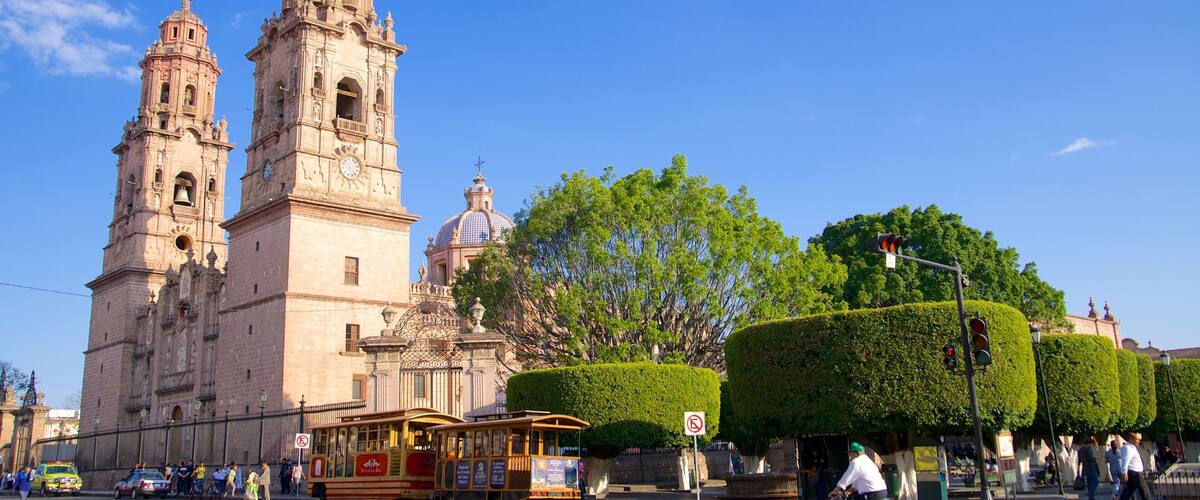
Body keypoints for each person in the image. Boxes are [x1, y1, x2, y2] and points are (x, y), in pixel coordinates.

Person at [1118, 433, 1153, 500]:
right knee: (1144, 491)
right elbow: (1125, 461)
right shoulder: (1128, 448)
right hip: (1134, 473)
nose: (1139, 441)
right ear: (1131, 439)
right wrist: (1124, 472)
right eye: (1137, 439)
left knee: (1129, 490)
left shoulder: (1130, 447)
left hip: (1133, 472)